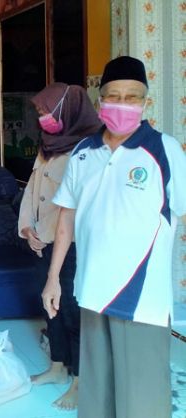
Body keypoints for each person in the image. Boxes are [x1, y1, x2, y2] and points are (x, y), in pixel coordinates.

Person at [44, 56, 186, 418]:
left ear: (144, 102)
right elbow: (66, 219)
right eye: (114, 95)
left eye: (133, 97)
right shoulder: (82, 153)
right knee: (97, 394)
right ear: (100, 98)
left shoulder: (164, 150)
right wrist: (53, 280)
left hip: (142, 298)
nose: (123, 104)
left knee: (141, 399)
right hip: (92, 290)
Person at [19, 82, 102, 410]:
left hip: (74, 245)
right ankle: (57, 367)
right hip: (42, 242)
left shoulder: (89, 150)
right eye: (39, 113)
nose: (42, 119)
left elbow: (75, 209)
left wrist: (49, 232)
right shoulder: (49, 145)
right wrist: (27, 227)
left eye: (45, 112)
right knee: (50, 307)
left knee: (73, 312)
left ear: (66, 110)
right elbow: (32, 191)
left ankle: (81, 381)